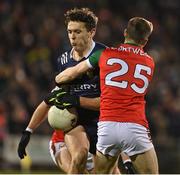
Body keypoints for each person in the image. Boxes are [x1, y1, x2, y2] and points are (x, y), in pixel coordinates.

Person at [17, 7, 129, 174]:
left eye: (77, 31)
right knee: (79, 156)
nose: (72, 36)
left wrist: (78, 100)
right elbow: (51, 98)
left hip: (102, 123)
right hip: (76, 123)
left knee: (108, 172)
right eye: (69, 31)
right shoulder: (63, 60)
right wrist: (28, 131)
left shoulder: (106, 58)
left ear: (92, 32)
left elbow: (112, 104)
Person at [54, 17, 159, 174]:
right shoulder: (149, 62)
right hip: (134, 125)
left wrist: (57, 79)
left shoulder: (105, 54)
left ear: (125, 33)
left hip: (107, 126)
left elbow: (71, 73)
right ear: (145, 41)